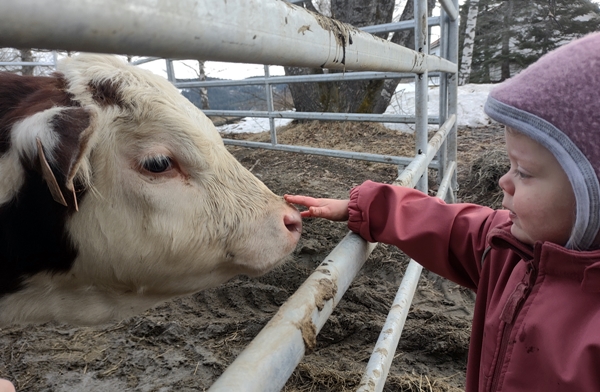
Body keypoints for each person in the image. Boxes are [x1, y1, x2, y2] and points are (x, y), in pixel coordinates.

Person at [285, 31, 600, 392]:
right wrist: (365, 206)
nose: (503, 181)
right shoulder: (514, 251)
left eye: (524, 173)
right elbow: (452, 227)